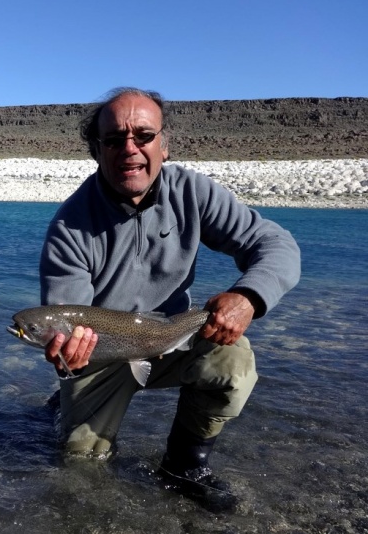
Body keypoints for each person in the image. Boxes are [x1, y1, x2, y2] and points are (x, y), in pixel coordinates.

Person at [39, 87, 300, 502]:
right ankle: (64, 406)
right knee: (81, 465)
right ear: (97, 150)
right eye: (114, 140)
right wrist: (68, 357)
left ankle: (184, 465)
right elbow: (64, 319)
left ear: (164, 144)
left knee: (233, 363)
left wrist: (248, 296)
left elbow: (276, 245)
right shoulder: (69, 229)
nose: (130, 148)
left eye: (143, 136)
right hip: (103, 355)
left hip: (174, 336)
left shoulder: (193, 193)